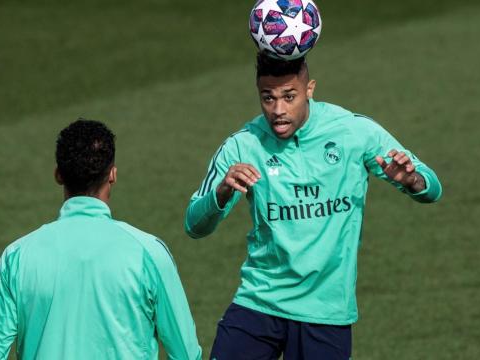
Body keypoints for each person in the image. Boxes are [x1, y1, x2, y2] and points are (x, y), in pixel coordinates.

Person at [185, 53, 442, 359]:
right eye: (268, 98)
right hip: (260, 300)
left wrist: (412, 181)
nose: (278, 110)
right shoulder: (244, 145)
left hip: (326, 310)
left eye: (288, 97)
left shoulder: (354, 132)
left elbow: (432, 188)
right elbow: (194, 224)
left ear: (310, 90)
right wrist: (222, 191)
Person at [0, 119, 202, 360]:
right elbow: (186, 353)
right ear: (112, 174)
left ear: (58, 175)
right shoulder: (150, 253)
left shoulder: (17, 257)